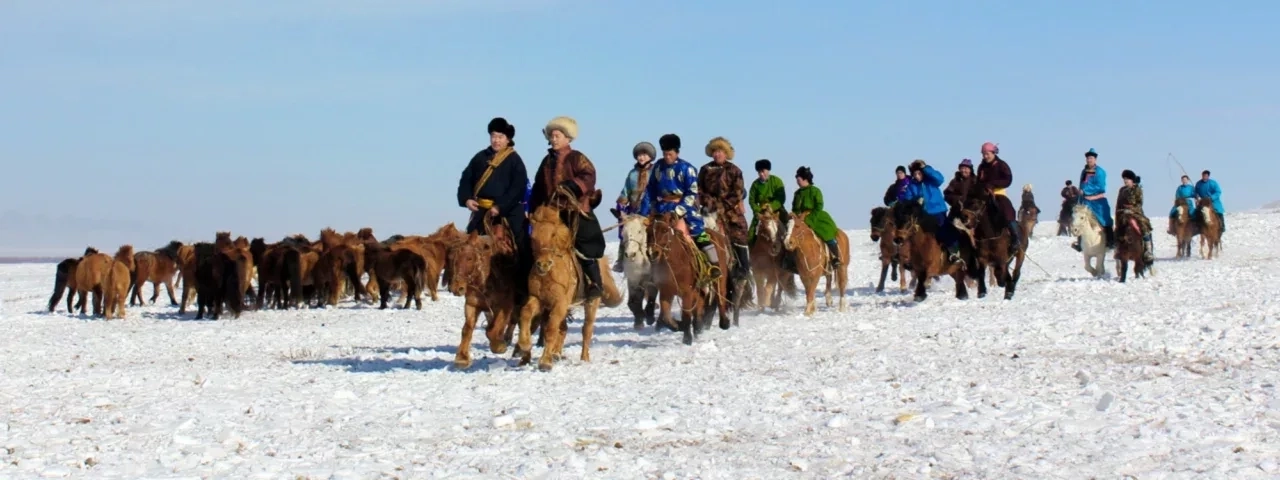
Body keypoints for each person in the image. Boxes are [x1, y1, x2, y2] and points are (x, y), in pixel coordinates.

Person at [527, 116, 607, 300]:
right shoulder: (546, 162)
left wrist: (573, 185)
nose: (554, 139)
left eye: (558, 136)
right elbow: (538, 186)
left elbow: (589, 175)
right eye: (552, 136)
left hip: (575, 209)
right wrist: (533, 208)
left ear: (568, 138)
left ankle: (595, 283)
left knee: (585, 243)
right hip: (551, 212)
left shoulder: (577, 157)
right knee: (538, 243)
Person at [456, 117, 530, 297]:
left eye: (500, 137)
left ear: (508, 139)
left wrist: (500, 207)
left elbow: (518, 187)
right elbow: (466, 179)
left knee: (522, 244)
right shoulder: (480, 157)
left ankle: (524, 285)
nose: (496, 140)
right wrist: (466, 199)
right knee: (468, 244)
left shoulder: (515, 160)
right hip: (481, 210)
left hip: (508, 210)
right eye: (494, 136)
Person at [636, 133, 721, 280]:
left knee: (698, 231)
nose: (667, 157)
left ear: (677, 152)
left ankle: (713, 264)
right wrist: (643, 213)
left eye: (670, 154)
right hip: (662, 208)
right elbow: (650, 190)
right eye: (664, 154)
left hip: (684, 207)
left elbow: (691, 193)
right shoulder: (658, 167)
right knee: (648, 234)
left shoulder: (687, 168)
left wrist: (678, 211)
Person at [697, 136, 750, 284]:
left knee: (739, 231)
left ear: (726, 153)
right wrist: (708, 202)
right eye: (714, 151)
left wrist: (722, 206)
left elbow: (738, 192)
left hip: (729, 210)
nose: (717, 154)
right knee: (696, 230)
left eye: (720, 151)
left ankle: (743, 268)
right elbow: (698, 190)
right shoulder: (704, 169)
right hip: (708, 209)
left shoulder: (734, 170)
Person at [899, 160, 963, 265]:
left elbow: (940, 179)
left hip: (937, 210)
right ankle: (909, 256)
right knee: (913, 231)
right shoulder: (912, 186)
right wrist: (915, 200)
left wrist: (925, 168)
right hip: (923, 214)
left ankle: (953, 251)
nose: (917, 176)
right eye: (915, 174)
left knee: (944, 229)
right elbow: (907, 200)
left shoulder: (931, 181)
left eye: (919, 173)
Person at [609, 141, 657, 272]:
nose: (641, 157)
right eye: (639, 155)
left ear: (650, 157)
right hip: (633, 211)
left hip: (651, 211)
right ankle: (620, 259)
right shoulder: (632, 174)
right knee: (627, 233)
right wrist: (621, 206)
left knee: (654, 233)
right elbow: (626, 191)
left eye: (644, 155)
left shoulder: (656, 171)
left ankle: (654, 258)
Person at [791, 166, 842, 267]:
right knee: (789, 234)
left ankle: (835, 257)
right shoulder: (797, 193)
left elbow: (819, 205)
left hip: (816, 216)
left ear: (805, 179)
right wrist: (795, 216)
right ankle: (790, 260)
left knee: (826, 232)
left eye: (798, 179)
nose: (797, 181)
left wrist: (808, 219)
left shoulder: (815, 191)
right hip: (799, 219)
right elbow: (794, 208)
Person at [976, 142, 1020, 254]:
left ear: (993, 153)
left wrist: (993, 184)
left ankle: (1015, 237)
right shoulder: (981, 167)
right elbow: (978, 181)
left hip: (998, 193)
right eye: (984, 154)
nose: (985, 156)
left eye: (987, 154)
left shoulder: (1001, 165)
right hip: (984, 195)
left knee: (1007, 211)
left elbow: (1008, 179)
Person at [1074, 148, 1114, 251]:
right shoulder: (1084, 171)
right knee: (1079, 218)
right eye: (1088, 158)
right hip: (1084, 201)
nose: (1089, 160)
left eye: (1091, 158)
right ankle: (1080, 243)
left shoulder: (1100, 172)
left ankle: (1110, 241)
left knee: (1105, 219)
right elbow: (1081, 184)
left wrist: (1086, 190)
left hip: (1097, 201)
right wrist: (1080, 194)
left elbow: (1101, 187)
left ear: (1095, 159)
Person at [1116, 170, 1155, 263]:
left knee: (1144, 225)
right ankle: (1118, 249)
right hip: (1123, 212)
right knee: (1118, 229)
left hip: (1136, 212)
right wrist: (1119, 211)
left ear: (1132, 180)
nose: (1125, 181)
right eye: (1124, 179)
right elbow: (1119, 203)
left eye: (1127, 179)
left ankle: (1148, 249)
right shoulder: (1122, 190)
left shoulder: (1137, 189)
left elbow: (1139, 203)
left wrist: (1132, 209)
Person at [748, 158, 788, 245]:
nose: (761, 174)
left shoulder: (777, 181)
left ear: (768, 170)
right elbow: (751, 200)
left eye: (763, 171)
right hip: (761, 211)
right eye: (759, 172)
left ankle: (789, 248)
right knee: (751, 232)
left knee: (788, 225)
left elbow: (781, 198)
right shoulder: (755, 184)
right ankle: (751, 248)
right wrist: (758, 210)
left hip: (777, 209)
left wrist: (771, 207)